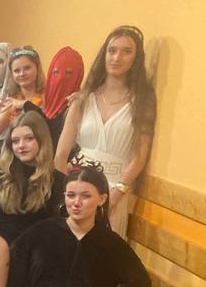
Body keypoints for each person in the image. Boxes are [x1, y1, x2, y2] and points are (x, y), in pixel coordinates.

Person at [5, 166, 150, 287]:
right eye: (71, 195)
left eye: (86, 196)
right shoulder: (40, 233)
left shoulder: (111, 244)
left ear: (102, 199)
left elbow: (140, 282)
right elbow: (14, 275)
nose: (76, 202)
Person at [55, 25, 156, 236]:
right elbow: (61, 154)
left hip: (113, 193)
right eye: (112, 50)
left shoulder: (142, 101)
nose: (117, 57)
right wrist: (71, 194)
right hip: (77, 192)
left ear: (136, 59)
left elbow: (140, 156)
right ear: (104, 54)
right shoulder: (83, 99)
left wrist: (114, 197)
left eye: (126, 51)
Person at [0, 109, 65, 244]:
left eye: (29, 139)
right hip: (2, 250)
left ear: (42, 140)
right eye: (15, 141)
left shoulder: (58, 181)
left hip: (40, 251)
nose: (21, 146)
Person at [0, 46, 45, 141]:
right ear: (12, 74)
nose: (22, 74)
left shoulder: (47, 95)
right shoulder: (11, 99)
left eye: (27, 68)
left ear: (37, 68)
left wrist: (24, 105)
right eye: (17, 71)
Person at [41, 46, 85, 145]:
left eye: (68, 73)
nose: (61, 78)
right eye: (56, 72)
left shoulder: (80, 106)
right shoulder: (41, 102)